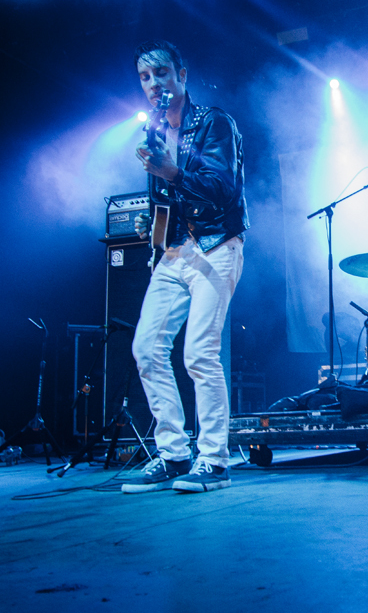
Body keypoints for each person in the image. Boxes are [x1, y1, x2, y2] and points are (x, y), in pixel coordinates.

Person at [121, 40, 249, 494]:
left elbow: (219, 188)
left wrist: (171, 173)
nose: (154, 85)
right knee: (146, 348)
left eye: (162, 74)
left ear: (182, 74)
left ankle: (214, 461)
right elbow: (166, 205)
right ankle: (174, 454)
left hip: (216, 246)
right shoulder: (153, 135)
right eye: (145, 77)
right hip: (174, 252)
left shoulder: (214, 122)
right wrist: (150, 222)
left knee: (198, 353)